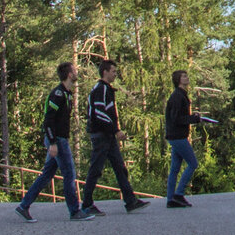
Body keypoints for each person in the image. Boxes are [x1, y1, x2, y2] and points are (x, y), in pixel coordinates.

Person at [14, 61, 90, 222]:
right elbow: (48, 120)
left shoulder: (67, 94)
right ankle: (75, 211)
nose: (77, 72)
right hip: (58, 140)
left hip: (60, 139)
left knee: (47, 174)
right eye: (74, 70)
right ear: (69, 74)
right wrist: (53, 142)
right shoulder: (58, 94)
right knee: (69, 174)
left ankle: (24, 205)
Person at [82, 58, 149, 214]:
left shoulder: (106, 89)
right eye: (113, 71)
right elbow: (99, 113)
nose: (115, 74)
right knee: (96, 169)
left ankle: (130, 201)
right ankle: (87, 204)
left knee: (120, 167)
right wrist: (115, 130)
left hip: (108, 135)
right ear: (105, 72)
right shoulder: (101, 89)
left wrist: (113, 131)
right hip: (101, 135)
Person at [163, 69, 205, 208]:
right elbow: (176, 118)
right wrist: (193, 119)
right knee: (193, 164)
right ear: (179, 80)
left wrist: (193, 117)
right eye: (184, 76)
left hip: (176, 135)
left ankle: (170, 199)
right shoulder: (177, 96)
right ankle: (179, 194)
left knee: (175, 169)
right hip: (177, 136)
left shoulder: (181, 95)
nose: (187, 78)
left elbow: (180, 117)